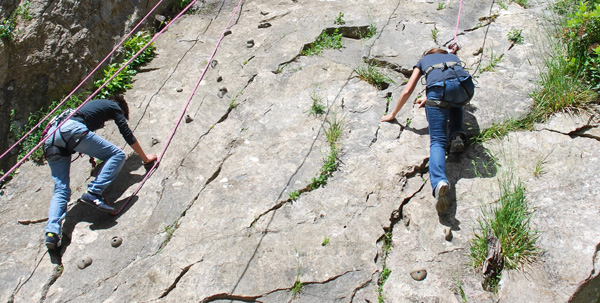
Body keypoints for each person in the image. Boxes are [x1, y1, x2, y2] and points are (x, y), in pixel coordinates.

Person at [43, 96, 157, 250]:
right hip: (71, 130)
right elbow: (126, 133)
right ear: (121, 109)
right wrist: (145, 158)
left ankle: (51, 233)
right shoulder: (114, 106)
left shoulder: (90, 107)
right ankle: (94, 192)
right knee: (118, 155)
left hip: (50, 139)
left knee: (61, 190)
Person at [381, 47, 475, 214]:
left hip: (440, 90)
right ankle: (457, 134)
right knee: (455, 101)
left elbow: (407, 90)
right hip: (465, 88)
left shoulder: (423, 61)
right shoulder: (452, 56)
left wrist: (393, 113)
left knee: (438, 141)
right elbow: (450, 77)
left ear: (428, 55)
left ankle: (439, 181)